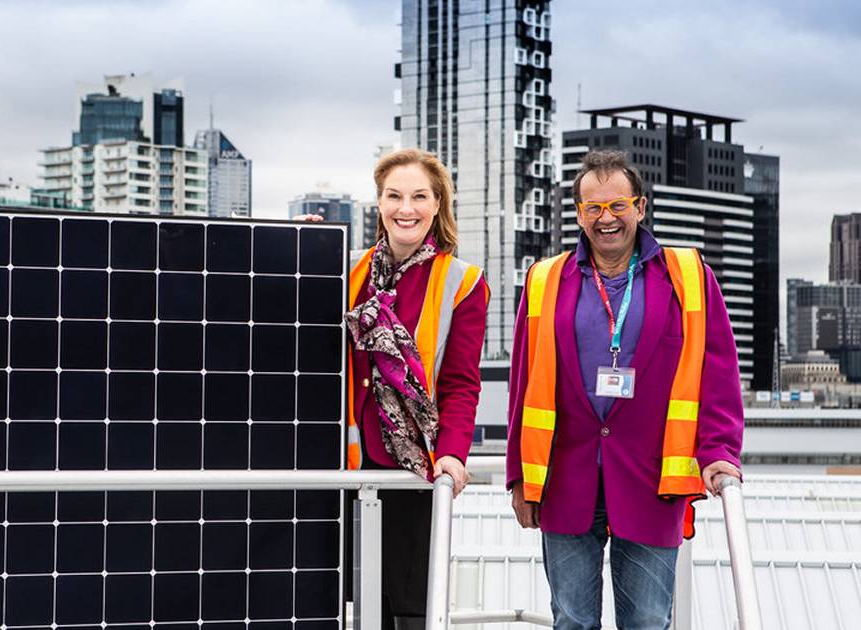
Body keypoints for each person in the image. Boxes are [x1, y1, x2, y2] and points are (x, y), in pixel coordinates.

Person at [505, 149, 744, 629]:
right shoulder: (544, 279)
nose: (605, 218)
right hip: (566, 478)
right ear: (577, 214)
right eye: (592, 208)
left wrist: (720, 450)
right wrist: (519, 477)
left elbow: (718, 371)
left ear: (640, 206)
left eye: (617, 205)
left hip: (651, 476)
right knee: (571, 620)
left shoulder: (689, 276)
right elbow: (522, 382)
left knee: (649, 621)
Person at [305, 148, 487, 630]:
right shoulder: (349, 270)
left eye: (419, 197)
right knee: (344, 603)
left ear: (437, 204)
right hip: (345, 465)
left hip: (413, 468)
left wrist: (452, 454)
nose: (406, 208)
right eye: (394, 196)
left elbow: (462, 383)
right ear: (379, 203)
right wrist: (303, 243)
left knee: (408, 604)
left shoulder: (462, 281)